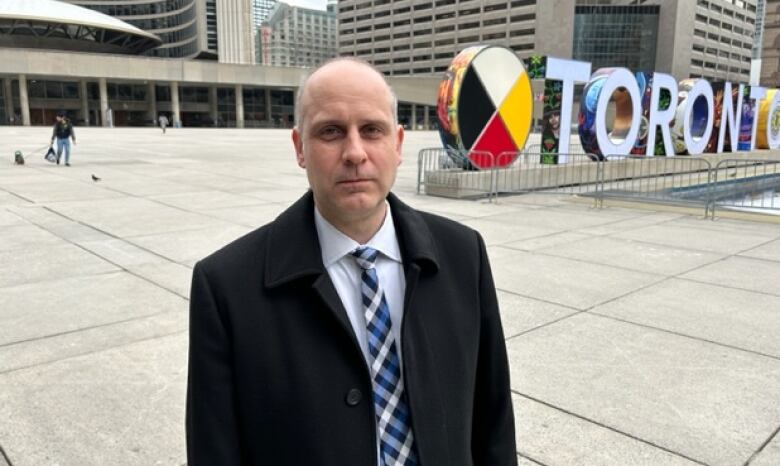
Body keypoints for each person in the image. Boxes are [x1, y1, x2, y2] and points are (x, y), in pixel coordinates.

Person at [186, 58, 516, 466]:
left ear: (397, 144)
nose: (354, 152)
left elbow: (493, 422)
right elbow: (214, 451)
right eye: (331, 132)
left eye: (372, 130)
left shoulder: (464, 255)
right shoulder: (226, 288)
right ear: (299, 148)